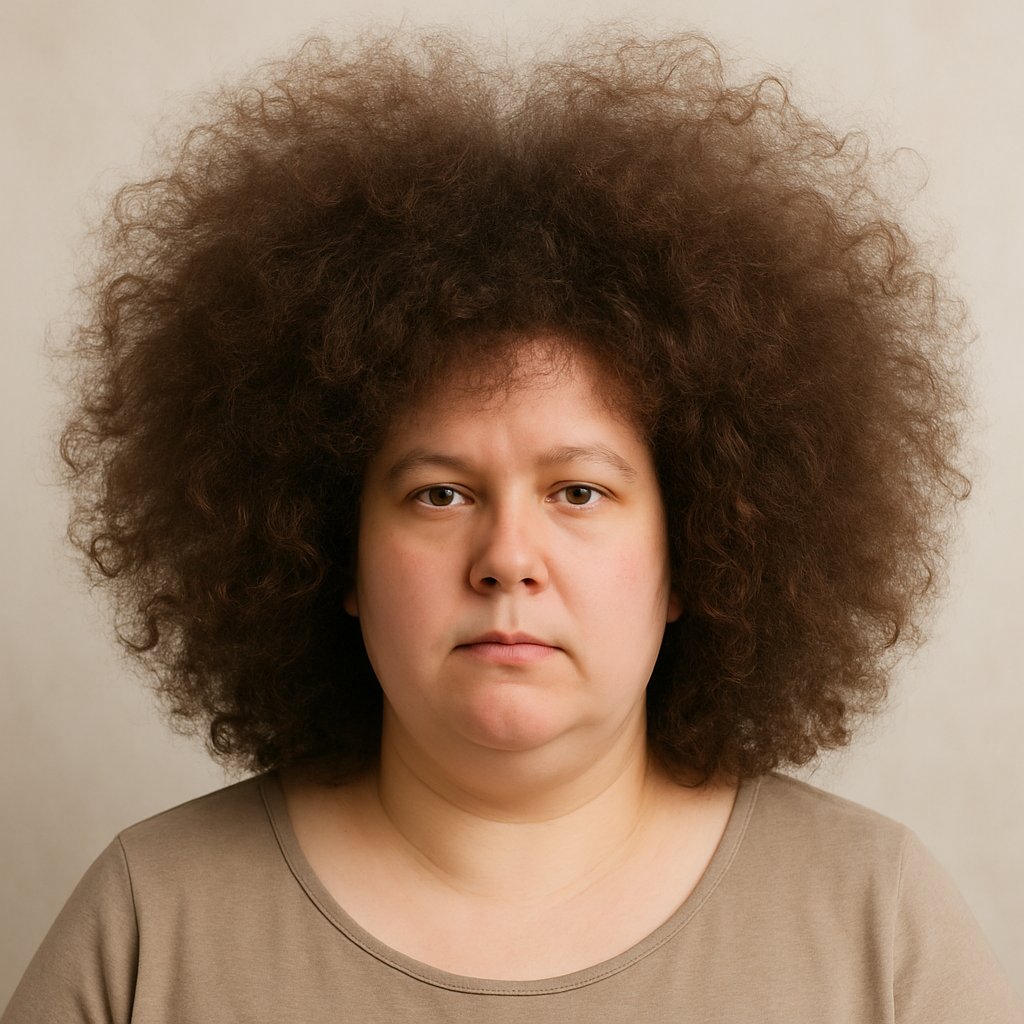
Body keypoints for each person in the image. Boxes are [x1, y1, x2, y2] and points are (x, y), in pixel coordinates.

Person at [3, 27, 1021, 1023]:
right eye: (440, 494)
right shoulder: (150, 925)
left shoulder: (877, 924)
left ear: (697, 553)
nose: (507, 560)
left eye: (578, 492)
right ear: (330, 550)